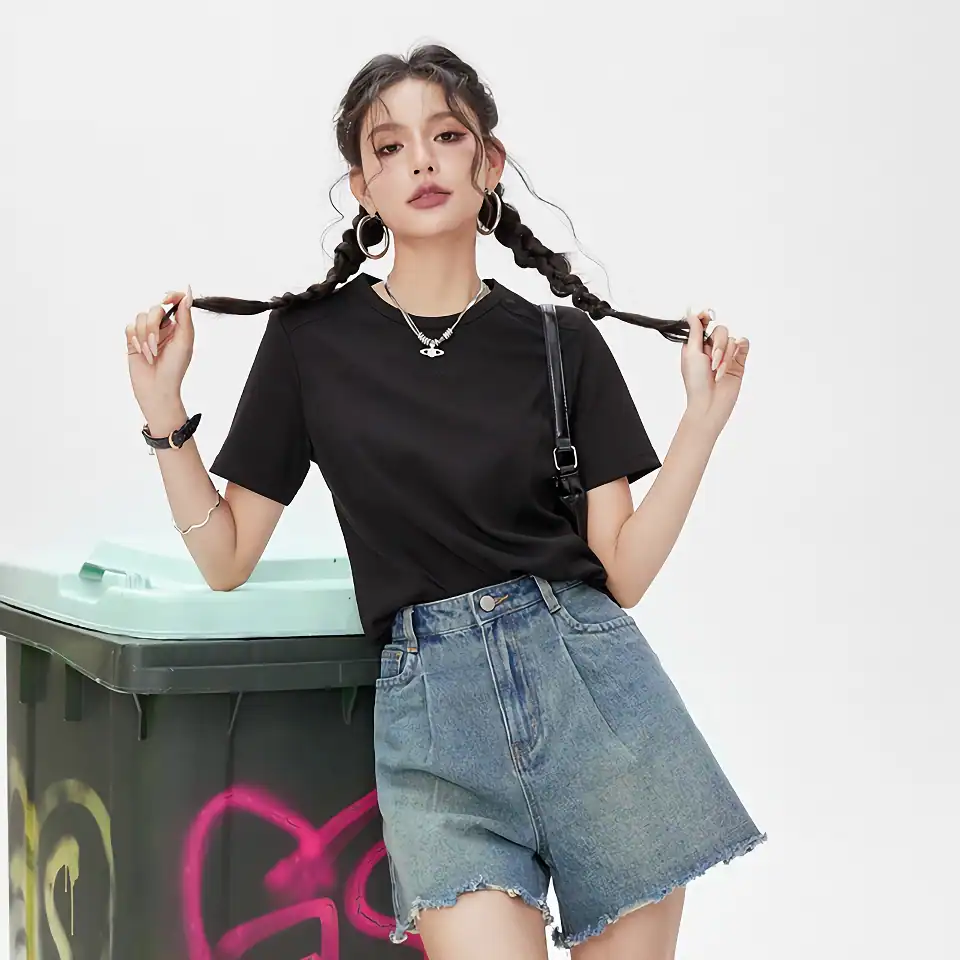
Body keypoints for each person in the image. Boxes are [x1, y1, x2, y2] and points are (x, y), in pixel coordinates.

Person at [125, 43, 764, 960]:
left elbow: (621, 573)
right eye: (389, 147)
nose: (421, 160)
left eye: (447, 134)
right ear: (363, 188)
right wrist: (163, 414)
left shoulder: (561, 342)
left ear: (487, 164)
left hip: (599, 703)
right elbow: (225, 558)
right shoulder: (311, 345)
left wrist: (700, 427)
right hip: (435, 726)